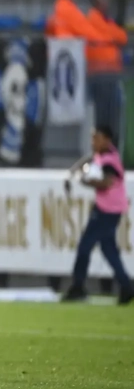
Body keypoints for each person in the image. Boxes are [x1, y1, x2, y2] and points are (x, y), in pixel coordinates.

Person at [63, 125, 134, 305]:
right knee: (108, 249)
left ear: (107, 140)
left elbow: (106, 183)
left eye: (96, 138)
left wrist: (84, 181)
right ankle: (126, 286)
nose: (93, 141)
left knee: (85, 246)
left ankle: (78, 287)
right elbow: (89, 159)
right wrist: (73, 171)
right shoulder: (104, 155)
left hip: (106, 211)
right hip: (111, 209)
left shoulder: (109, 160)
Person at [87, 0, 128, 146]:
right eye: (104, 0)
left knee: (112, 116)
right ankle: (102, 149)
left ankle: (110, 148)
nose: (107, 3)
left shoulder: (106, 21)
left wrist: (111, 35)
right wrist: (111, 36)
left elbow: (122, 37)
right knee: (102, 117)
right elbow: (115, 35)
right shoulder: (93, 18)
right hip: (99, 75)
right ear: (97, 3)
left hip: (111, 75)